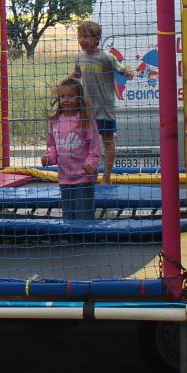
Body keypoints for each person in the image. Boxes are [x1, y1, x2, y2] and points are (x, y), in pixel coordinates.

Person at [74, 21, 133, 185]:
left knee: (107, 140)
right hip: (87, 109)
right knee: (85, 141)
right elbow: (77, 75)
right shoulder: (79, 57)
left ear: (97, 39)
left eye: (85, 36)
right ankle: (87, 172)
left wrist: (128, 71)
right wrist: (64, 84)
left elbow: (122, 69)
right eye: (80, 37)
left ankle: (106, 176)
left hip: (104, 109)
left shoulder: (106, 56)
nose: (81, 40)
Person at [43, 75, 100, 222]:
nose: (66, 100)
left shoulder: (85, 120)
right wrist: (48, 158)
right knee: (68, 215)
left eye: (70, 96)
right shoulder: (55, 120)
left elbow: (94, 147)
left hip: (83, 176)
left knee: (83, 215)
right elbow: (52, 146)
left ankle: (85, 241)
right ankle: (71, 241)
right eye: (62, 96)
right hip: (64, 177)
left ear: (79, 98)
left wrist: (91, 164)